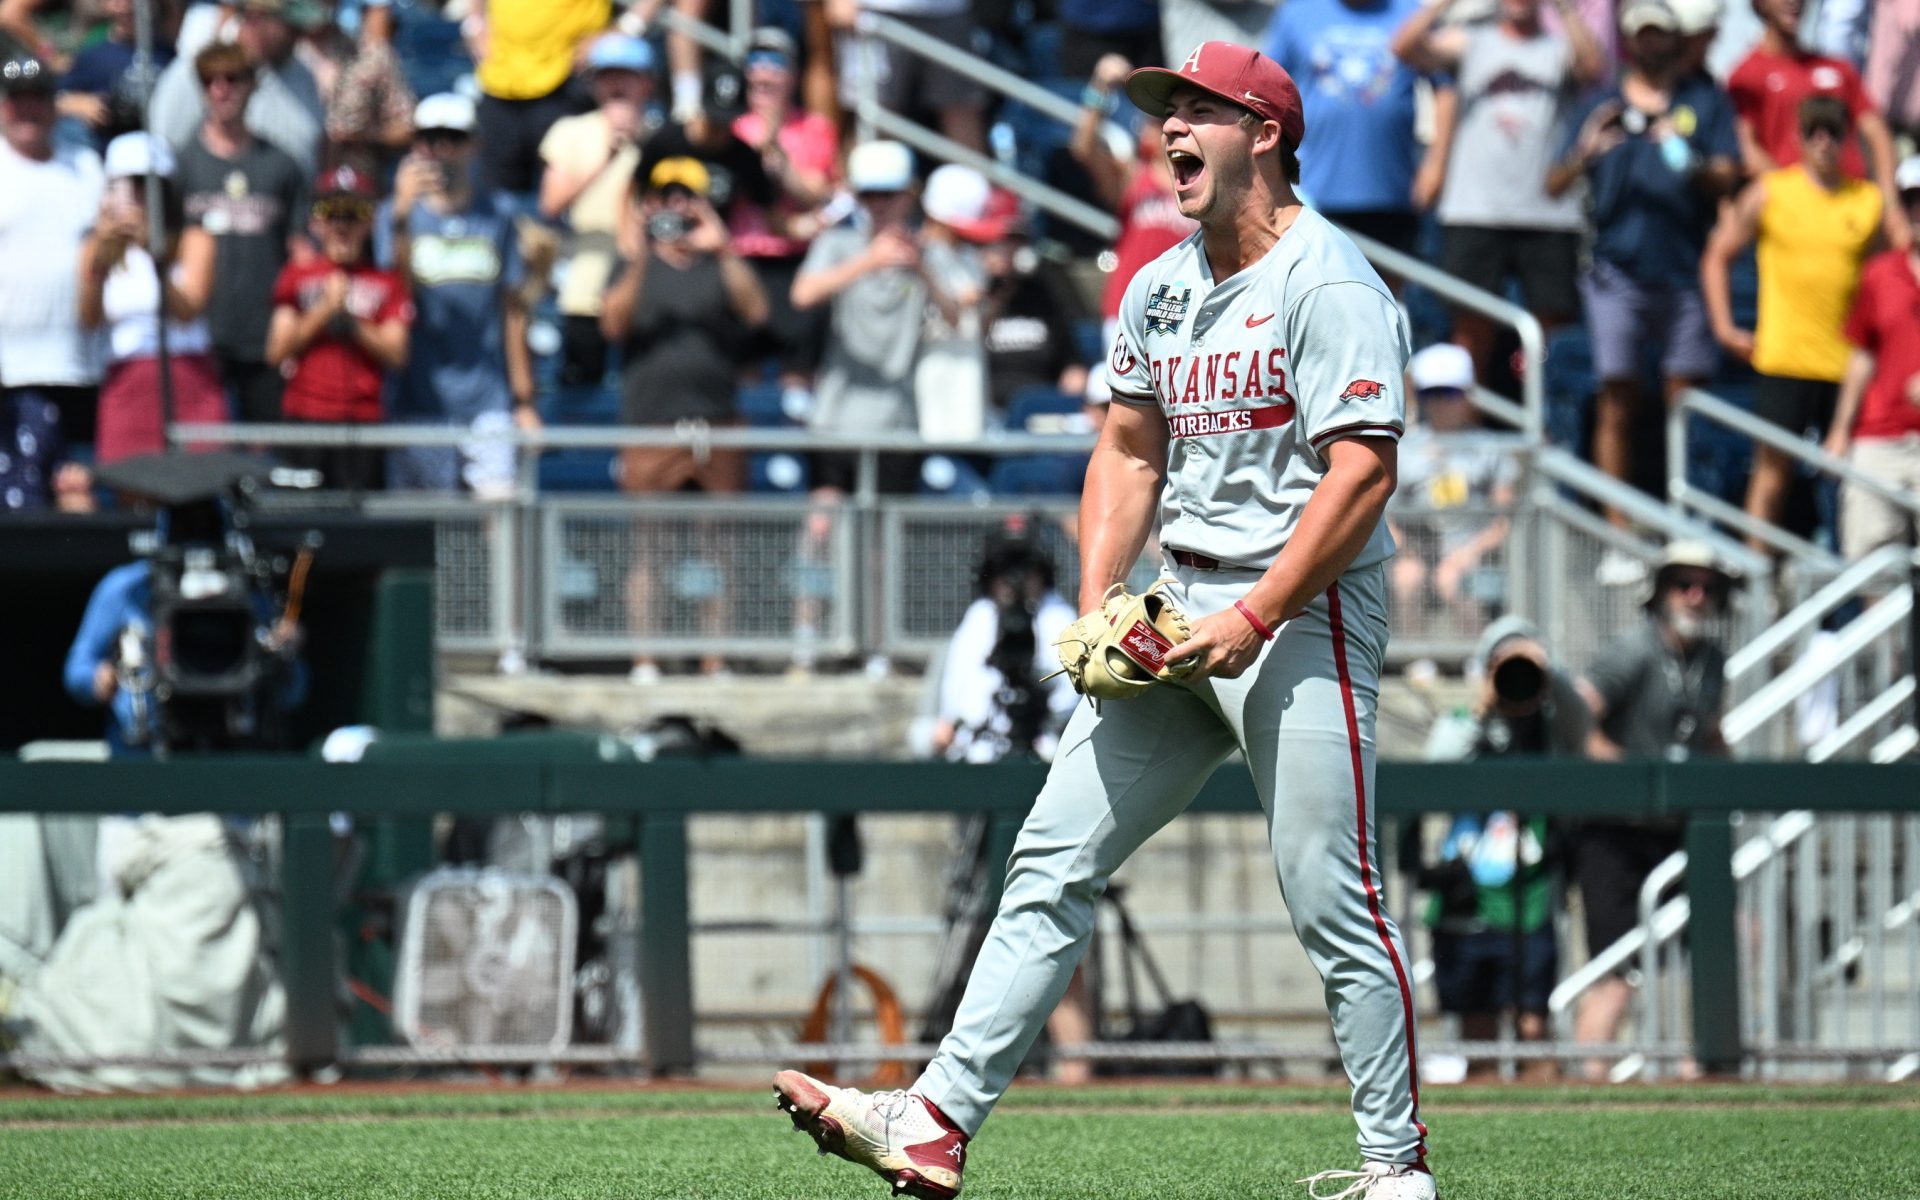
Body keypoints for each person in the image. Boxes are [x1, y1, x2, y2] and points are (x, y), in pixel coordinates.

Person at [775, 42, 1436, 1200]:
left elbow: (1361, 478)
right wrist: (1097, 602)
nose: (1170, 131)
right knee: (1046, 861)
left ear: (1264, 133)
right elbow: (1129, 446)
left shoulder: (1329, 282)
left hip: (1302, 611)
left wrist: (1259, 610)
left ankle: (1397, 1167)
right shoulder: (1158, 283)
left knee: (1333, 895)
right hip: (1178, 606)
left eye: (1196, 112)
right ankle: (935, 1120)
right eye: (1164, 112)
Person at [1544, 0, 1740, 547]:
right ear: (1629, 43)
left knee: (1686, 404)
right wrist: (1586, 153)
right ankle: (1618, 532)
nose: (1652, 44)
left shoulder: (1704, 101)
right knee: (1617, 396)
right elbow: (1553, 183)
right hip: (1615, 274)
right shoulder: (1602, 105)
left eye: (1662, 34)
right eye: (1643, 34)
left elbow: (1729, 176)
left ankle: (1686, 521)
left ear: (1676, 40)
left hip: (1683, 273)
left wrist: (1687, 159)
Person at [1572, 540, 1736, 1082]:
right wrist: (1622, 769)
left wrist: (1726, 774)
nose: (1696, 596)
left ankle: (1704, 1070)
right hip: (1615, 832)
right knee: (1615, 972)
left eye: (1708, 588)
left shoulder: (1711, 661)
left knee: (1724, 944)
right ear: (1661, 592)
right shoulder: (1634, 650)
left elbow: (1708, 731)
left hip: (1677, 828)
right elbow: (1576, 715)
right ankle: (1588, 1083)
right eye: (1684, 584)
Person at [600, 155, 768, 681]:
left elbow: (758, 311)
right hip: (651, 424)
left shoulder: (718, 263)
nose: (674, 209)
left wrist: (722, 245)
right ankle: (646, 657)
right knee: (650, 547)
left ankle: (714, 657)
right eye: (664, 199)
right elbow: (613, 324)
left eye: (684, 199)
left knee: (719, 547)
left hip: (716, 421)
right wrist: (642, 254)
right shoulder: (633, 264)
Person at [1700, 96, 1882, 556]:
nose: (1823, 141)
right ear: (1798, 136)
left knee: (1850, 481)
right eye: (1813, 130)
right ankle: (1755, 575)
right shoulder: (1771, 192)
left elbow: (1892, 270)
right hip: (1785, 356)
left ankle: (1846, 589)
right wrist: (1723, 326)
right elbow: (1718, 255)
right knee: (1771, 472)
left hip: (1846, 364)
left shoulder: (1866, 201)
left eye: (1833, 131)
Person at [1392, 0, 1606, 386]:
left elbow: (1594, 69)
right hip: (1475, 207)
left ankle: (1548, 422)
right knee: (1471, 328)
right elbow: (1404, 48)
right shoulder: (1470, 41)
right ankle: (1463, 422)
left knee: (1550, 335)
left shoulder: (1558, 48)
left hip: (1547, 212)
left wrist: (1566, 10)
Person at [1409, 617, 1586, 1081]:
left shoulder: (1551, 729)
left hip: (1530, 903)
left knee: (1533, 1028)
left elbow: (1583, 727)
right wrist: (1485, 703)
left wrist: (1549, 672)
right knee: (1477, 1032)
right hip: (1465, 904)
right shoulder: (1464, 723)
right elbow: (1435, 767)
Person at [791, 139, 980, 497]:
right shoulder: (837, 244)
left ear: (909, 195)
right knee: (824, 522)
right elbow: (802, 295)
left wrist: (922, 271)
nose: (877, 205)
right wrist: (869, 261)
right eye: (868, 195)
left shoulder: (929, 252)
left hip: (899, 420)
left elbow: (957, 320)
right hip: (834, 416)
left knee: (883, 540)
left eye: (887, 195)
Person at [378, 92, 538, 492]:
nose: (441, 149)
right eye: (430, 138)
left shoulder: (498, 214)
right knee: (423, 529)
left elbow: (512, 310)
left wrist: (523, 400)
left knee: (501, 518)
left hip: (487, 398)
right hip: (418, 399)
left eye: (453, 137)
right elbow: (396, 299)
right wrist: (399, 218)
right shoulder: (395, 216)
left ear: (474, 143)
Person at [175, 40, 308, 425]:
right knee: (203, 458)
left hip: (265, 337)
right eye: (209, 80)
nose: (221, 89)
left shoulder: (281, 165)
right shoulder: (181, 165)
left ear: (251, 85)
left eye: (232, 78)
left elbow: (299, 250)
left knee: (266, 460)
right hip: (199, 337)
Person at [76, 132, 225, 466]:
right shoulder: (94, 247)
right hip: (127, 379)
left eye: (145, 186)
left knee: (198, 481)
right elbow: (88, 318)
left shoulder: (193, 239)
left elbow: (188, 308)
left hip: (188, 375)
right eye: (128, 185)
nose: (137, 197)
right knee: (130, 487)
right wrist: (101, 256)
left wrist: (153, 254)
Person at [1264, 0, 1453, 257]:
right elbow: (1267, 89)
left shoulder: (1411, 14)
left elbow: (1445, 88)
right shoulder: (1297, 12)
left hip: (1390, 189)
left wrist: (1436, 165)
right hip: (1310, 188)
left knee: (1389, 290)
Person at [266, 165, 411, 492]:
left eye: (354, 213)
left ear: (370, 221)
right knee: (301, 524)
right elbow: (276, 350)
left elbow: (398, 353)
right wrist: (323, 310)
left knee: (358, 532)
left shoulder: (386, 282)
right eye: (331, 212)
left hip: (363, 421)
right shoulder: (296, 276)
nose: (342, 224)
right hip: (306, 419)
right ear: (316, 221)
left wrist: (352, 320)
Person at [0, 50, 102, 505]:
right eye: (15, 98)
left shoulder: (86, 168)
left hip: (76, 364)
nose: (27, 109)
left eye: (38, 97)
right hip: (9, 368)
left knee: (75, 493)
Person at [1727, 0, 1908, 250]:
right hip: (1792, 225)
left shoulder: (1838, 69)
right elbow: (1745, 147)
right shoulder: (1746, 75)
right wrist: (1802, 195)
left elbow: (1877, 134)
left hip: (1853, 220)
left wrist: (1890, 203)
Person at [537, 32, 659, 389]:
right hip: (585, 287)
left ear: (647, 82)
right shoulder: (572, 131)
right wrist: (608, 159)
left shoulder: (663, 134)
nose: (617, 84)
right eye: (608, 75)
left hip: (645, 284)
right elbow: (550, 203)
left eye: (627, 74)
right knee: (581, 389)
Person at [729, 30, 838, 404]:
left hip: (797, 262)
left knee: (799, 371)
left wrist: (778, 159)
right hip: (742, 259)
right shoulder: (731, 129)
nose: (763, 74)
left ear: (793, 74)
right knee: (743, 366)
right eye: (755, 63)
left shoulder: (815, 128)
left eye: (775, 64)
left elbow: (818, 192)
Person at [1823, 158, 1920, 562]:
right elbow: (1861, 354)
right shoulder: (1879, 274)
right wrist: (1840, 431)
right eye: (1913, 201)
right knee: (1871, 559)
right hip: (1879, 435)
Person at [1389, 343, 1519, 627]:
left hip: (1477, 554)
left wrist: (1471, 552)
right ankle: (1418, 660)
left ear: (1467, 395)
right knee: (1407, 577)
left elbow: (1505, 517)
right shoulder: (1406, 449)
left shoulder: (1490, 448)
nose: (1439, 403)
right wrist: (1407, 547)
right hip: (1419, 550)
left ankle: (1477, 657)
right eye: (1430, 393)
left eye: (1448, 393)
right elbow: (1386, 516)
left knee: (1450, 577)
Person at [1071, 55, 1194, 347]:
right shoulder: (1133, 174)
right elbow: (1082, 148)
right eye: (1150, 121)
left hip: (1180, 313)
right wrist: (1099, 87)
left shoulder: (1203, 182)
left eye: (1160, 120)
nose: (1148, 128)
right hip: (1125, 308)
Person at [147, 0, 326, 175]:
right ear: (256, 17)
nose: (299, 37)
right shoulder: (198, 71)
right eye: (291, 28)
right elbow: (165, 150)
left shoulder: (303, 75)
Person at [471, 0, 610, 196]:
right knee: (500, 198)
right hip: (501, 80)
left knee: (567, 194)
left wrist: (628, 27)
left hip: (566, 79)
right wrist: (474, 24)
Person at [829, 0, 988, 154]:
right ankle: (861, 179)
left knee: (962, 108)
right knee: (877, 116)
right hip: (877, 11)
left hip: (950, 10)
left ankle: (975, 178)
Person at [56, 0, 175, 150]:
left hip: (159, 149)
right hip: (109, 149)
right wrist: (78, 104)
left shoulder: (169, 55)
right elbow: (55, 98)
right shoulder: (93, 56)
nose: (125, 6)